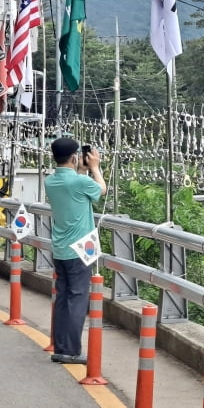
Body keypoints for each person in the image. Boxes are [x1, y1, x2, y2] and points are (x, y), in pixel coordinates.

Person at [44, 138, 106, 364]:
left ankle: (61, 347)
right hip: (81, 249)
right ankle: (71, 351)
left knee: (62, 298)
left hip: (60, 248)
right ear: (74, 156)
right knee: (77, 299)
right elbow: (101, 189)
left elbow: (76, 186)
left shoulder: (50, 181)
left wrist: (81, 169)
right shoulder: (80, 183)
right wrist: (96, 167)